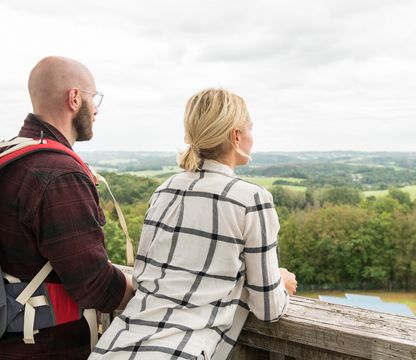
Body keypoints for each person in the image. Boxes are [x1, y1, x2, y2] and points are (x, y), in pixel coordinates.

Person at [90, 88, 297, 360]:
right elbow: (268, 309)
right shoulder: (251, 199)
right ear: (236, 136)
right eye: (250, 129)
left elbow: (147, 280)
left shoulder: (166, 190)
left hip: (114, 348)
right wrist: (279, 281)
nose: (251, 137)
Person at [0, 56, 134, 359]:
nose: (97, 109)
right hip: (45, 348)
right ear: (74, 98)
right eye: (93, 98)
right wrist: (150, 290)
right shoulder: (59, 174)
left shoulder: (9, 155)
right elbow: (97, 288)